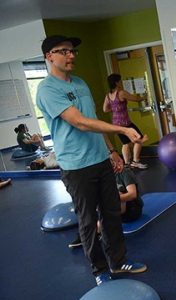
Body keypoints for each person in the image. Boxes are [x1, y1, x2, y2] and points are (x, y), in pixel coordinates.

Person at [36, 35, 147, 285]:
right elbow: (79, 122)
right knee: (88, 221)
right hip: (76, 167)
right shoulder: (47, 89)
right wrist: (121, 130)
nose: (71, 55)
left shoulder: (81, 83)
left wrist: (112, 151)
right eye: (63, 51)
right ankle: (100, 271)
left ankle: (118, 263)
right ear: (49, 56)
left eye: (72, 51)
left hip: (100, 160)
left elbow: (93, 120)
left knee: (111, 214)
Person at [69, 167, 144, 248]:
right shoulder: (100, 175)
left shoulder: (124, 172)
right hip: (113, 210)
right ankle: (91, 230)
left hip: (131, 210)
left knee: (115, 194)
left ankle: (95, 231)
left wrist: (111, 199)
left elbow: (132, 195)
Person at [103, 74, 149, 169]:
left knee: (125, 143)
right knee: (139, 138)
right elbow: (135, 99)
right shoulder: (121, 93)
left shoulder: (108, 96)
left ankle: (127, 164)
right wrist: (144, 97)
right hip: (125, 123)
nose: (121, 82)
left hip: (116, 124)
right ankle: (136, 161)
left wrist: (115, 109)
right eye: (120, 80)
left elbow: (105, 109)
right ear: (116, 82)